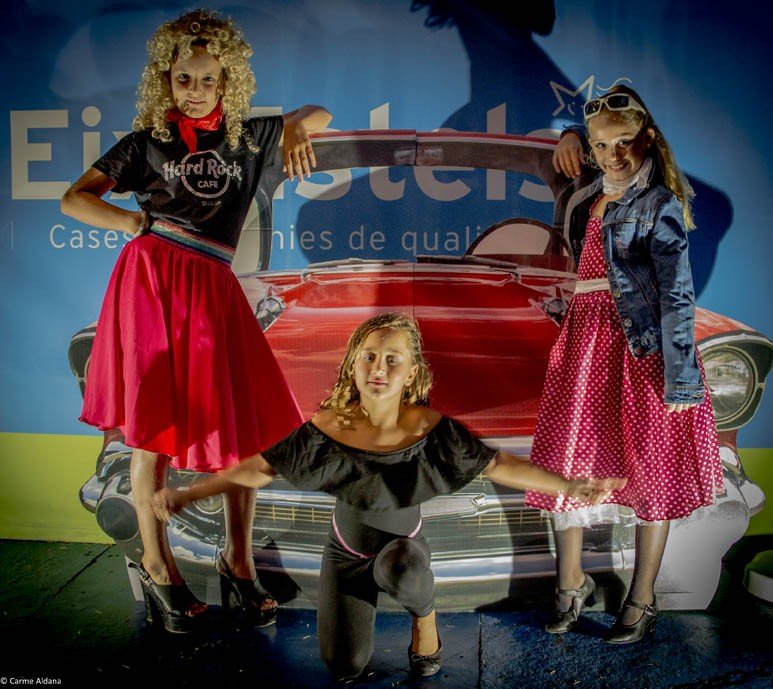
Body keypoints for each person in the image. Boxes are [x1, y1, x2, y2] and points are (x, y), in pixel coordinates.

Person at [152, 312, 625, 679]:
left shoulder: (428, 428)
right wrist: (191, 493)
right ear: (352, 364)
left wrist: (570, 486)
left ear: (412, 372)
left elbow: (498, 464)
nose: (379, 368)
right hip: (346, 555)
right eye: (369, 356)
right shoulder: (328, 426)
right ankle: (358, 630)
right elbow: (258, 468)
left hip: (404, 552)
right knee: (344, 666)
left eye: (392, 359)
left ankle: (425, 619)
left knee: (400, 568)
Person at [60, 8, 332, 634]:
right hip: (153, 281)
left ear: (227, 80)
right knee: (150, 433)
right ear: (166, 79)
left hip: (213, 284)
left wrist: (293, 130)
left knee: (241, 433)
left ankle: (238, 561)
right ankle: (160, 569)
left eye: (209, 79)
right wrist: (131, 222)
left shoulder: (247, 137)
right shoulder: (145, 143)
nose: (196, 90)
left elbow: (319, 114)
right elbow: (75, 199)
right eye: (184, 78)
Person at [525, 85, 723, 643]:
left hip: (640, 349)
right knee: (569, 460)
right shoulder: (588, 194)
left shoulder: (659, 203)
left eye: (625, 142)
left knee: (650, 469)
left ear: (649, 138)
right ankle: (569, 584)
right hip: (584, 344)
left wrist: (680, 377)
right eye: (601, 145)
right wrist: (570, 134)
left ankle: (642, 596)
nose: (613, 154)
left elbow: (676, 293)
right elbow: (573, 152)